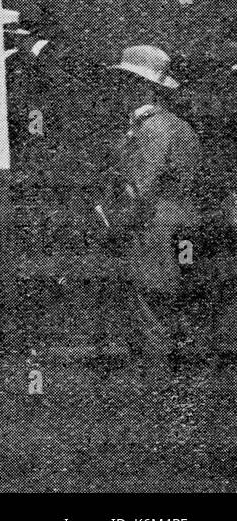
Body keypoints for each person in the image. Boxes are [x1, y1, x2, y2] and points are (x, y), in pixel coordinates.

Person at [106, 44, 201, 355]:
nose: (119, 89)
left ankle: (151, 394)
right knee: (176, 320)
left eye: (124, 81)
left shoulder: (151, 129)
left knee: (148, 323)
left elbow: (140, 190)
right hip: (182, 230)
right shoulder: (181, 126)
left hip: (152, 233)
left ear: (140, 87)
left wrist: (114, 228)